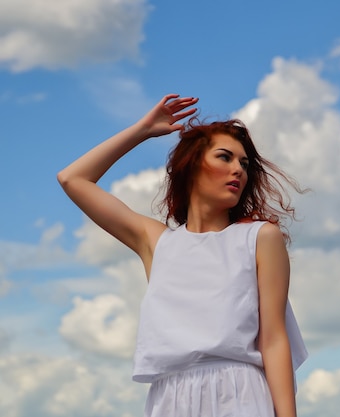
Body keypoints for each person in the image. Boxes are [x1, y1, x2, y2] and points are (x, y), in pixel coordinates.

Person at [57, 94, 308, 417]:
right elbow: (72, 178)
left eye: (244, 164)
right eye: (225, 157)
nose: (238, 171)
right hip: (170, 398)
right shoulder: (156, 242)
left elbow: (274, 340)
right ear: (192, 165)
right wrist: (142, 130)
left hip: (239, 393)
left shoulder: (259, 237)